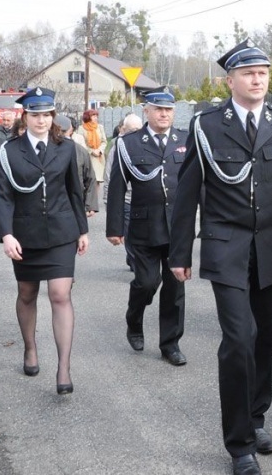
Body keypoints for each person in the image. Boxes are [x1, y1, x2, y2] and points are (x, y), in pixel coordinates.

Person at [169, 39, 272, 475]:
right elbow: (187, 193)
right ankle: (239, 446)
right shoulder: (207, 125)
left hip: (268, 246)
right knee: (239, 339)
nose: (258, 79)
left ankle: (255, 420)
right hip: (225, 244)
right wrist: (180, 252)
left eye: (264, 72)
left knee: (264, 339)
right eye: (249, 73)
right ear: (230, 80)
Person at [0, 87, 89, 395]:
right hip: (25, 234)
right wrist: (6, 234)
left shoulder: (66, 148)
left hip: (62, 231)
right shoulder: (9, 151)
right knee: (28, 293)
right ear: (26, 116)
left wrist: (82, 230)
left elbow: (76, 191)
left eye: (47, 115)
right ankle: (30, 348)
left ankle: (63, 368)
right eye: (36, 115)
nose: (42, 121)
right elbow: (3, 196)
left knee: (60, 295)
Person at [107, 88, 189, 366]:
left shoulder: (185, 141)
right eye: (158, 109)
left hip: (177, 228)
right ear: (147, 111)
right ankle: (134, 318)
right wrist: (114, 228)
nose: (164, 114)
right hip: (143, 226)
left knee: (175, 288)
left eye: (168, 110)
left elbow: (196, 184)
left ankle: (170, 344)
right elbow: (117, 186)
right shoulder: (129, 143)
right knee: (146, 282)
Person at [104, 113, 143, 273]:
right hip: (126, 199)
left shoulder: (146, 144)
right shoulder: (118, 146)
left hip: (142, 200)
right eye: (132, 129)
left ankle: (134, 258)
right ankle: (137, 265)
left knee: (140, 235)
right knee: (130, 233)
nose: (136, 132)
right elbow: (109, 178)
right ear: (123, 129)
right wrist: (110, 204)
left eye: (139, 129)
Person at [54, 114, 98, 216]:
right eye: (58, 132)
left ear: (71, 131)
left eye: (64, 132)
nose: (61, 135)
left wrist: (90, 205)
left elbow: (90, 177)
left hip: (75, 201)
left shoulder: (80, 151)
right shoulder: (44, 149)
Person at [76, 108, 107, 194]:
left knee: (97, 179)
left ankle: (94, 201)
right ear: (88, 117)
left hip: (99, 158)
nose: (96, 117)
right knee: (88, 179)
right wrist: (91, 151)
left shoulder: (100, 127)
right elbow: (80, 143)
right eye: (93, 116)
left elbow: (104, 141)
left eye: (96, 116)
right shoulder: (81, 128)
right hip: (88, 157)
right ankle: (86, 200)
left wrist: (100, 150)